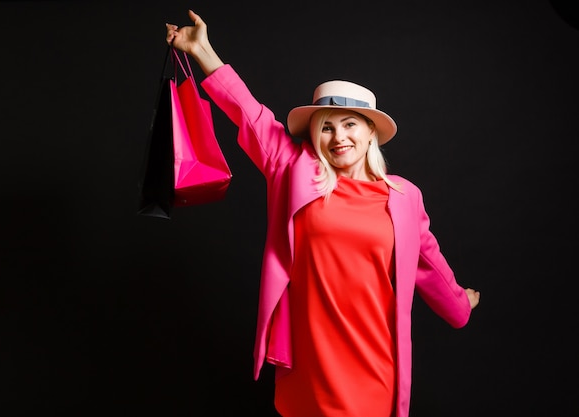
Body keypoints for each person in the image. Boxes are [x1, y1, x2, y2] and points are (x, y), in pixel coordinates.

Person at [166, 10, 481, 417]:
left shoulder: (403, 196)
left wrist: (460, 305)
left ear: (370, 132)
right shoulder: (294, 170)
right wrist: (203, 51)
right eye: (327, 127)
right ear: (314, 134)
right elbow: (249, 113)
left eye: (350, 124)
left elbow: (428, 263)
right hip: (313, 358)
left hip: (375, 359)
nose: (338, 137)